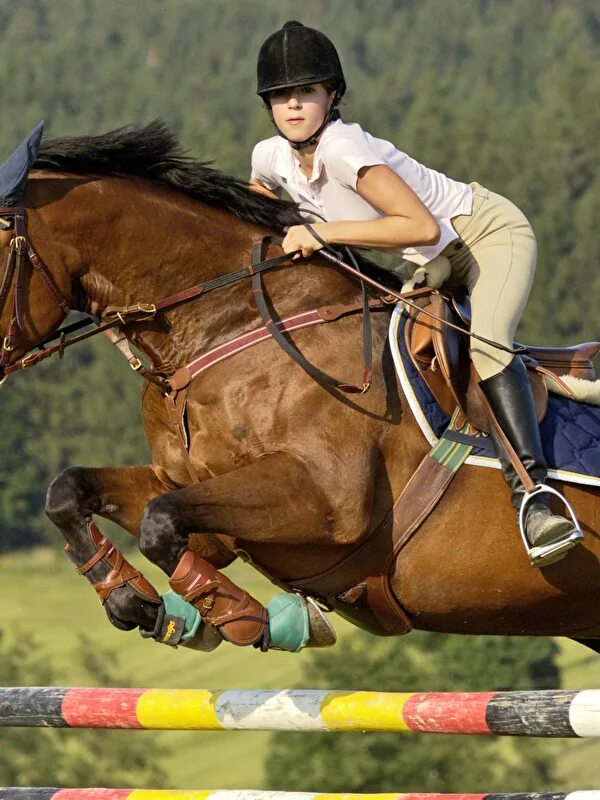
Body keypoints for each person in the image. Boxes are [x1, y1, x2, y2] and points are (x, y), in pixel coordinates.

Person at [250, 20, 582, 569]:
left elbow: (420, 227)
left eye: (305, 92)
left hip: (486, 236)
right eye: (281, 96)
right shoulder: (272, 156)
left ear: (331, 95)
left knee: (488, 347)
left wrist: (322, 232)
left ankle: (534, 494)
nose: (292, 105)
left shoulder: (342, 147)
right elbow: (258, 202)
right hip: (430, 263)